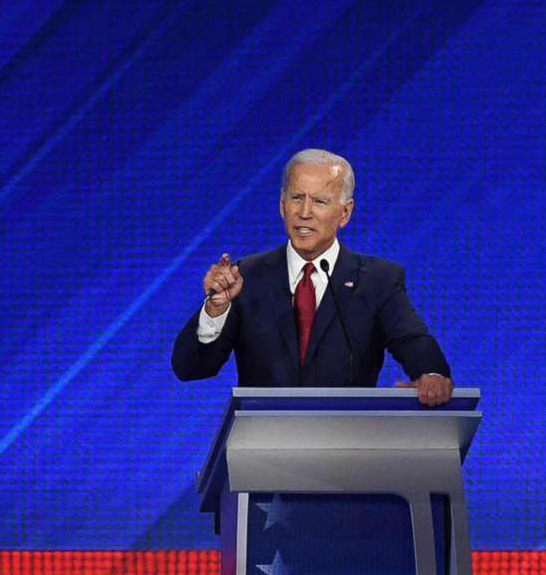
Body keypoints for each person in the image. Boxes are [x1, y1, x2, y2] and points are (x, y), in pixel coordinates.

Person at [173, 149, 453, 404]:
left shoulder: (378, 280)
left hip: (347, 447)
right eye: (296, 198)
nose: (304, 213)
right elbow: (190, 368)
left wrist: (431, 375)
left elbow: (413, 341)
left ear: (345, 212)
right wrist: (215, 310)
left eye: (319, 201)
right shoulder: (246, 277)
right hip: (263, 449)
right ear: (282, 205)